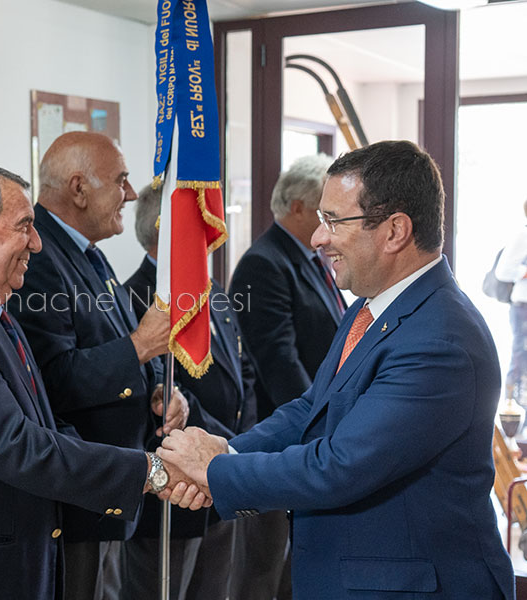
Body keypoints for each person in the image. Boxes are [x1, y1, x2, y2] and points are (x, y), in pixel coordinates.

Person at [160, 140, 515, 599]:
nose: (317, 238)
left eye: (333, 221)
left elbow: (340, 467)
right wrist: (226, 451)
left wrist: (214, 472)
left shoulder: (440, 340)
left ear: (395, 231)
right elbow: (313, 409)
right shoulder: (371, 306)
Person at [0, 159, 203, 600]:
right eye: (25, 226)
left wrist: (146, 462)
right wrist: (151, 471)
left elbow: (44, 422)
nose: (37, 243)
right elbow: (16, 446)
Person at [8, 131, 210, 600]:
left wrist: (162, 391)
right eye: (121, 180)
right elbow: (50, 381)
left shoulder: (89, 254)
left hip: (110, 496)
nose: (132, 194)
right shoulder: (40, 259)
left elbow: (120, 343)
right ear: (79, 188)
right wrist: (139, 347)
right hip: (79, 497)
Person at [121, 184, 258, 600]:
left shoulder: (213, 290)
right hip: (175, 491)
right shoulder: (135, 298)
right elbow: (155, 397)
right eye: (197, 223)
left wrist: (238, 446)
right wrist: (216, 448)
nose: (211, 234)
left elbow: (244, 371)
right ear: (166, 229)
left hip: (224, 477)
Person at [226, 152, 341, 600]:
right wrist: (321, 423)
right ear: (296, 206)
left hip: (307, 436)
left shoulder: (309, 258)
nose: (329, 224)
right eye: (323, 211)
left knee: (291, 569)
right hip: (283, 436)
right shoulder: (265, 263)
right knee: (263, 568)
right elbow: (278, 361)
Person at [495, 198, 527, 398]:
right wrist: (524, 272)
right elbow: (503, 271)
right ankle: (512, 405)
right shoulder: (523, 235)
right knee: (520, 356)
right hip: (523, 306)